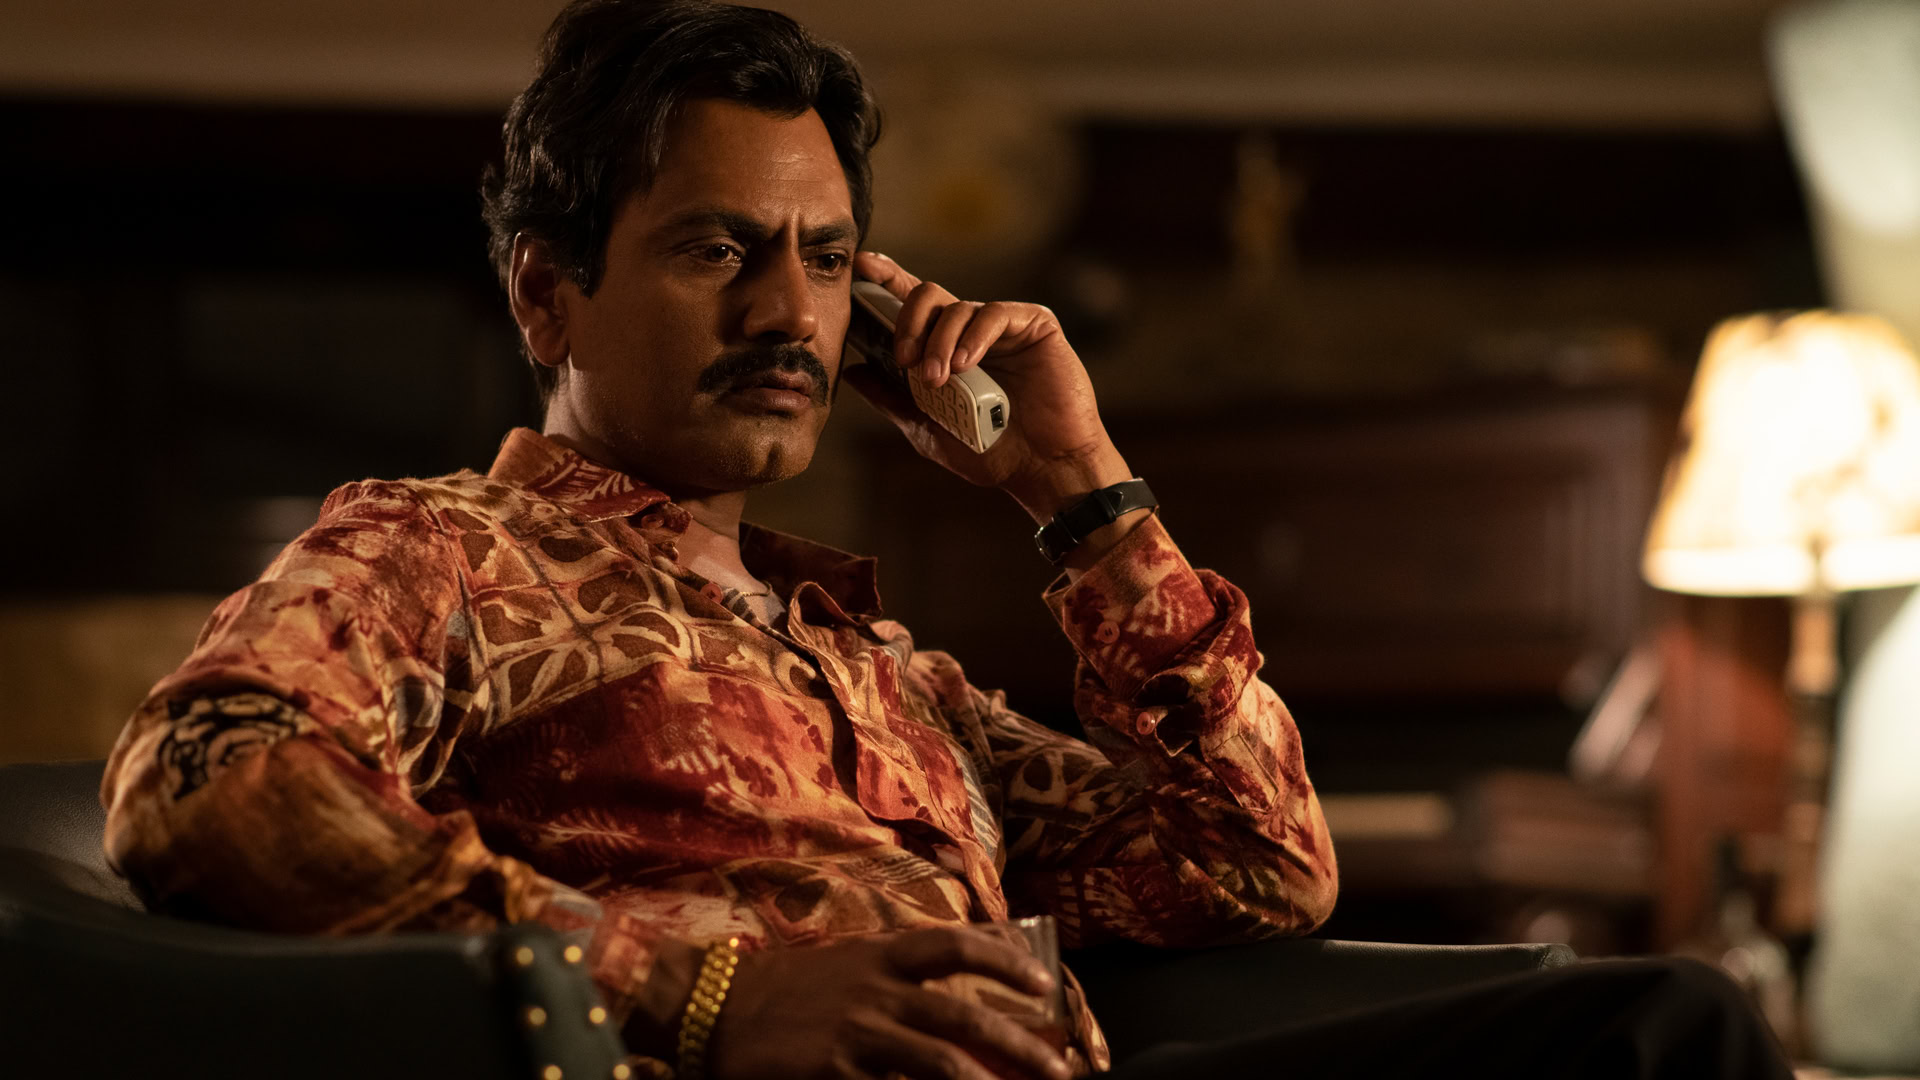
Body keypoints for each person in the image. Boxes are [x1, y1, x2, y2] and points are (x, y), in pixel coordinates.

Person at [98, 2, 1794, 1078]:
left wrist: (1081, 491)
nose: (791, 314)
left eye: (831, 260)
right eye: (719, 251)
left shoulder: (875, 662)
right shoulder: (441, 551)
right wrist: (706, 991)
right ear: (549, 295)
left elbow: (1258, 867)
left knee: (1667, 1021)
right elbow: (207, 776)